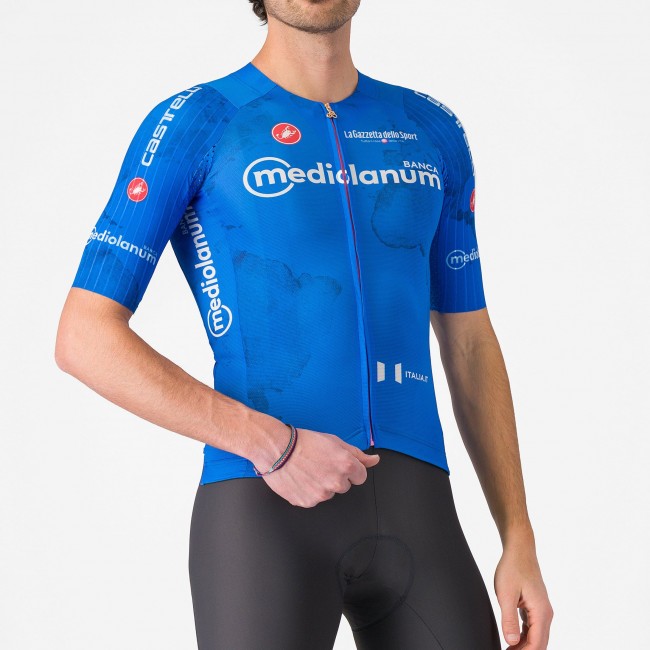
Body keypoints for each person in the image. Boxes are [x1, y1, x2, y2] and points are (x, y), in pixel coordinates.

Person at [55, 0, 553, 648]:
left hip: (420, 509)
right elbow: (85, 335)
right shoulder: (199, 122)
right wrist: (272, 444)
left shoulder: (429, 129)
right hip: (262, 510)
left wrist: (518, 535)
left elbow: (469, 340)